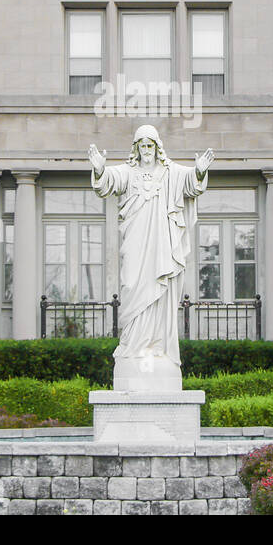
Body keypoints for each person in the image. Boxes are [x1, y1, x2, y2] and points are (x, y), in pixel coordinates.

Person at [89, 125, 213, 388]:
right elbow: (107, 182)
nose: (147, 151)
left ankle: (157, 346)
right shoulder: (128, 172)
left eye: (150, 146)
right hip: (135, 242)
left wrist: (200, 170)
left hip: (162, 246)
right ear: (136, 149)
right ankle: (132, 344)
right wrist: (99, 169)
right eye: (142, 146)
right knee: (132, 284)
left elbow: (192, 184)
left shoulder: (170, 173)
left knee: (160, 290)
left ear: (158, 148)